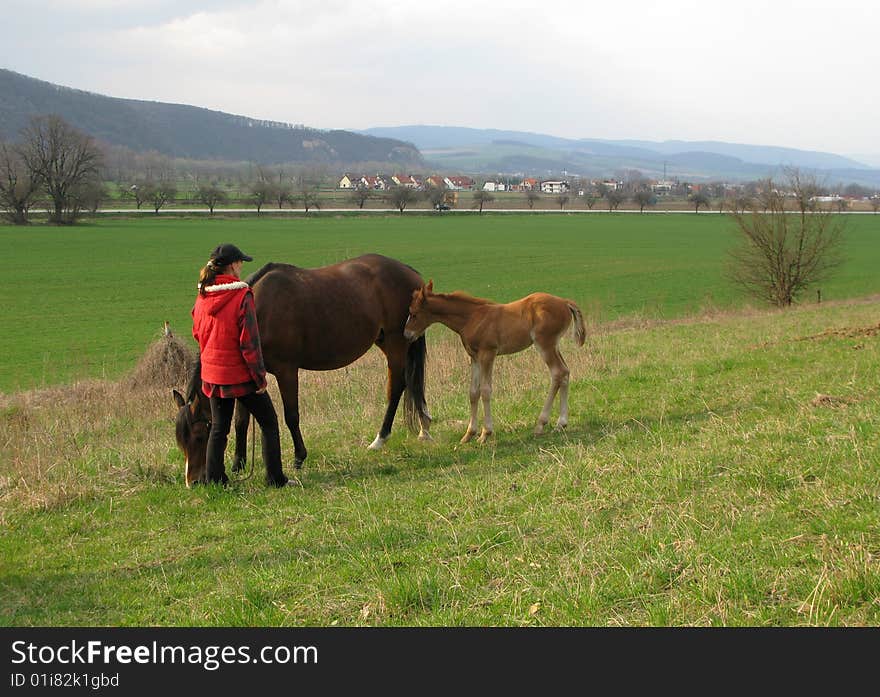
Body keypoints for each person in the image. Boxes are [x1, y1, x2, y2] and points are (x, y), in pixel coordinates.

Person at [191, 243, 288, 487]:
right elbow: (249, 344)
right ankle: (275, 479)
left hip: (212, 376)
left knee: (219, 428)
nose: (242, 266)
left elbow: (196, 332)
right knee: (269, 423)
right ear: (233, 265)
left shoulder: (203, 294)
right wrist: (259, 379)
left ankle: (215, 480)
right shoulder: (241, 296)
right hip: (239, 375)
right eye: (240, 262)